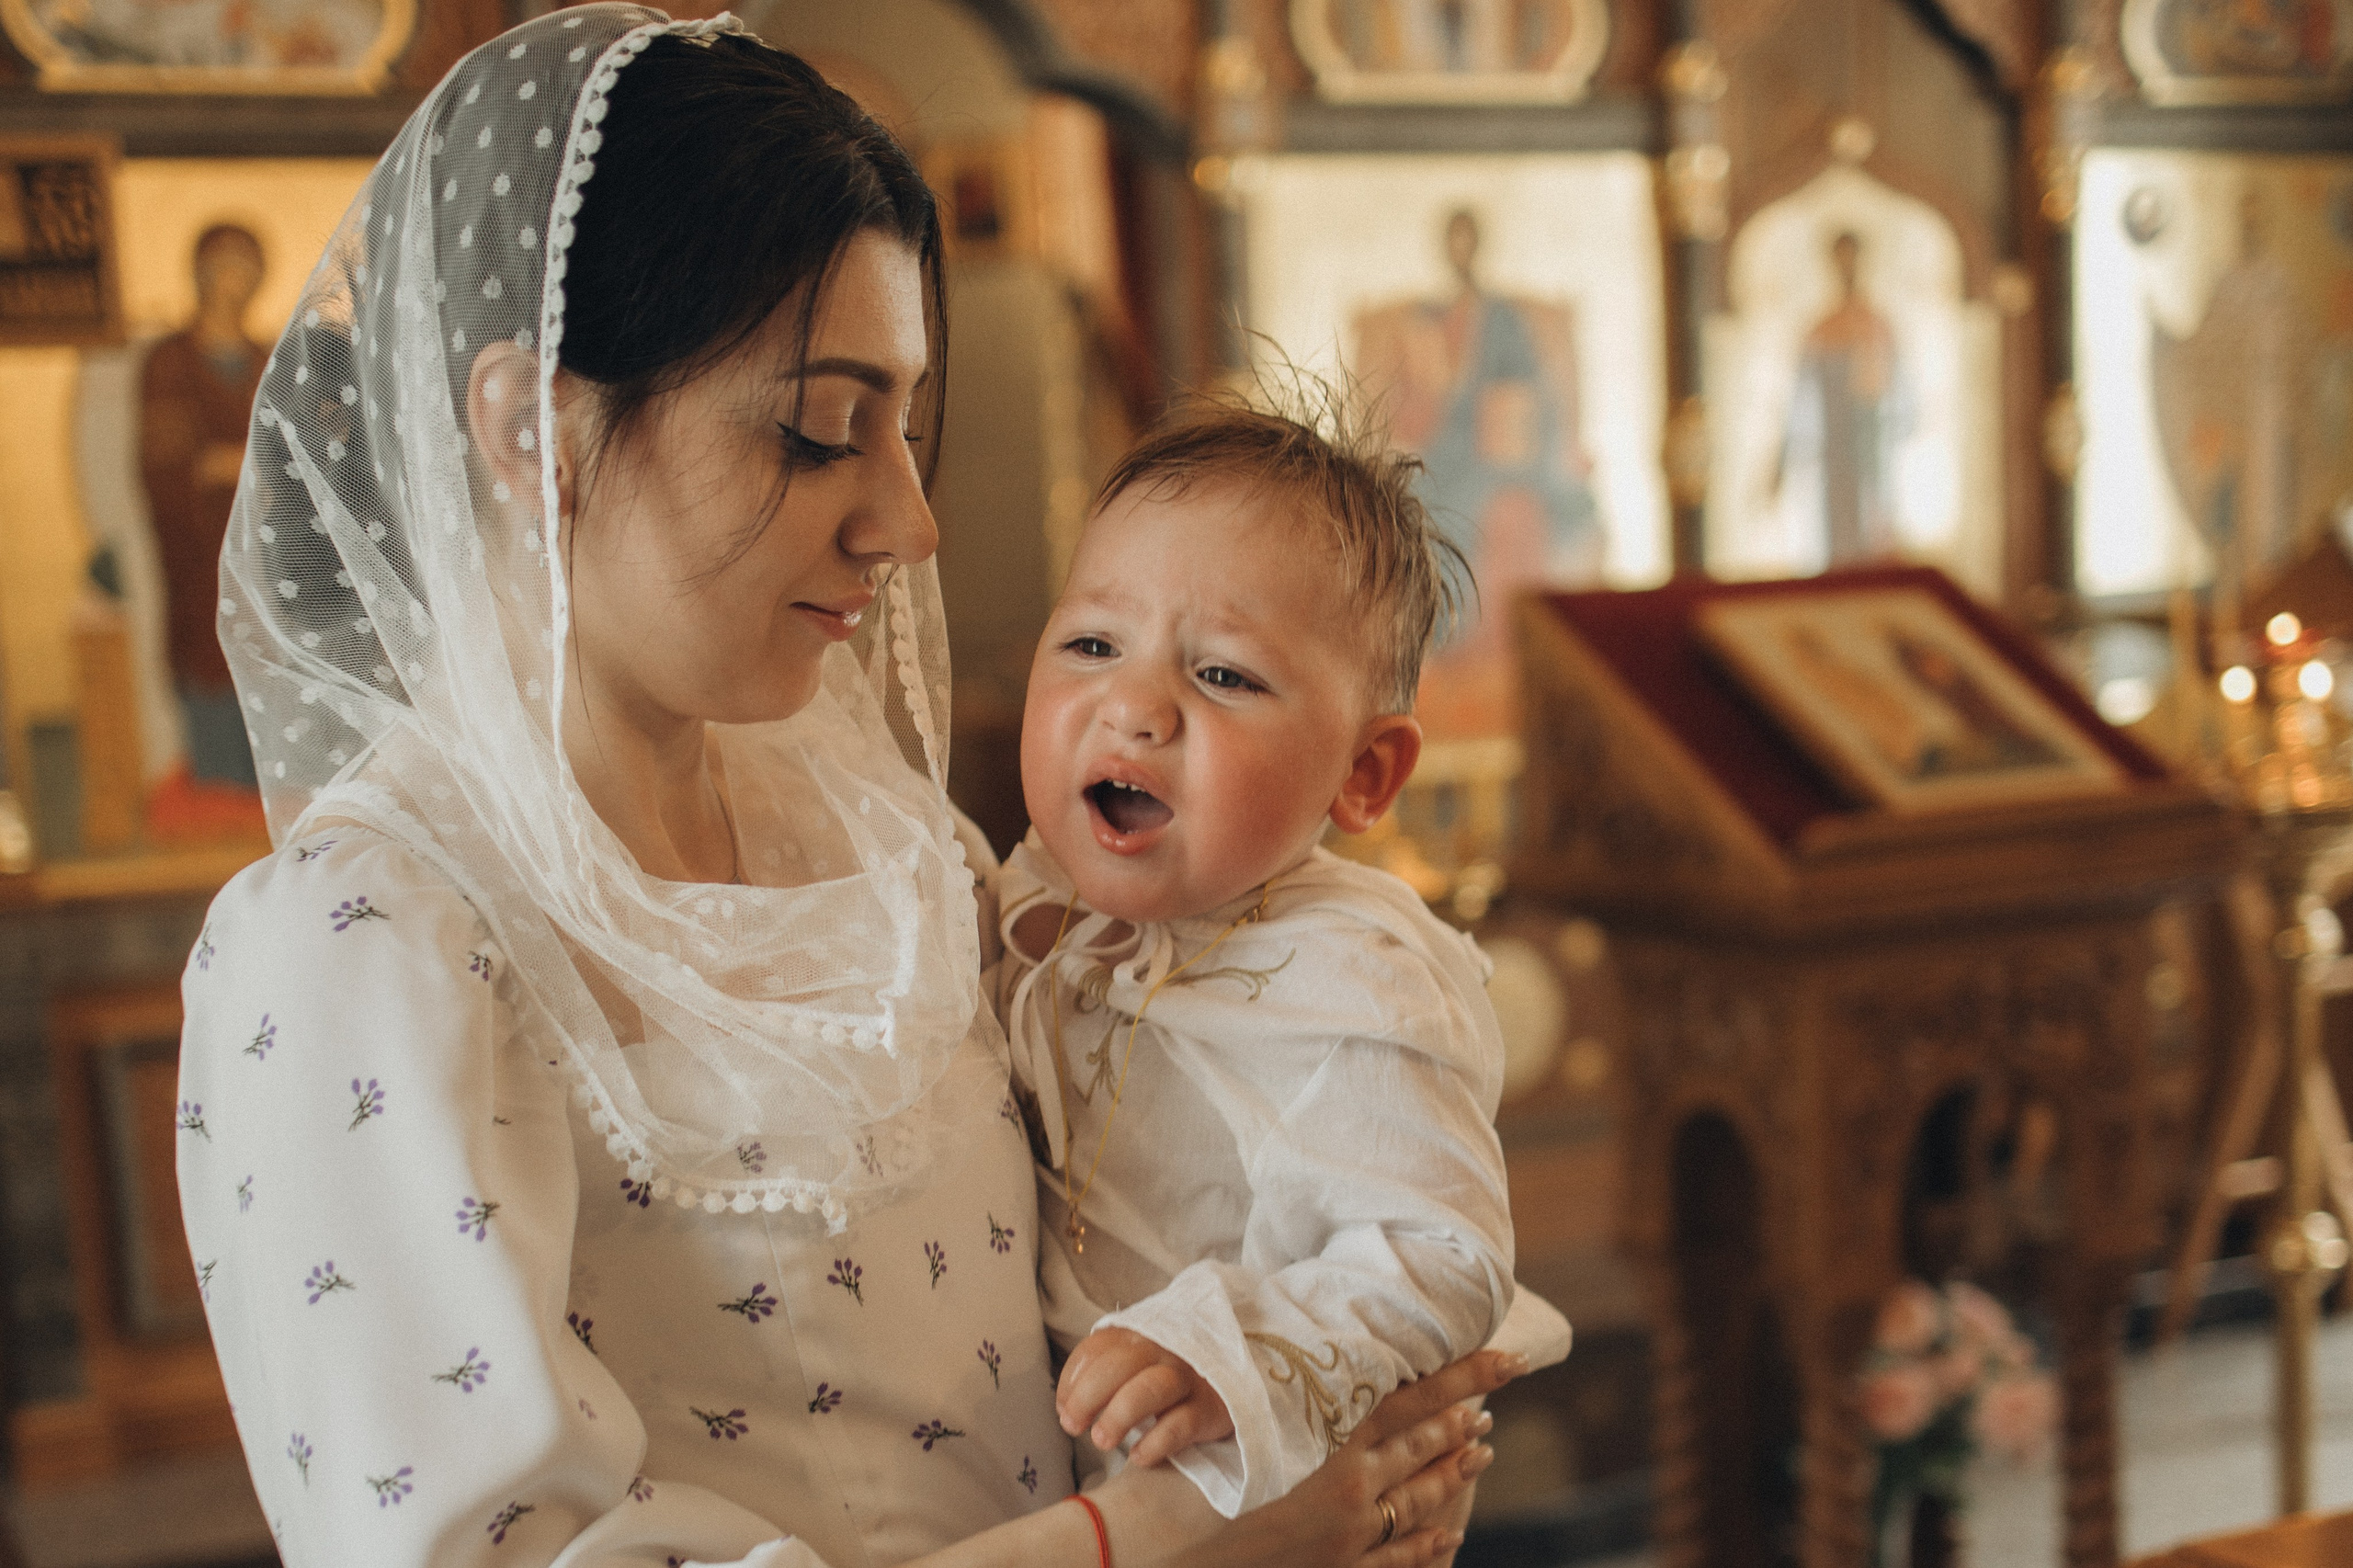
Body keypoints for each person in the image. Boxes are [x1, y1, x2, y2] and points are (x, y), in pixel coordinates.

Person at [175, 10, 1515, 1567]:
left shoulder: (883, 834)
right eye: (821, 430)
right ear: (529, 424)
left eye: (905, 425)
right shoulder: (361, 945)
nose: (905, 520)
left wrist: (1332, 1391)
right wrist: (1153, 1543)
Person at [994, 398, 1572, 1518]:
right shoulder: (1025, 896)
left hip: (1263, 1496)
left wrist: (1232, 1352)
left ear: (1361, 773)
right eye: (1091, 644)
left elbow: (1442, 1252)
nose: (1133, 705)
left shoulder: (1353, 979)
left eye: (1225, 676)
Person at [142, 222, 267, 788]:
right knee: (211, 671)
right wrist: (238, 462)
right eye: (223, 263)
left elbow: (299, 448)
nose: (233, 279)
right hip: (200, 560)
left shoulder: (272, 359)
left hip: (270, 557)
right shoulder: (170, 362)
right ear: (200, 272)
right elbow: (170, 462)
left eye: (246, 264)